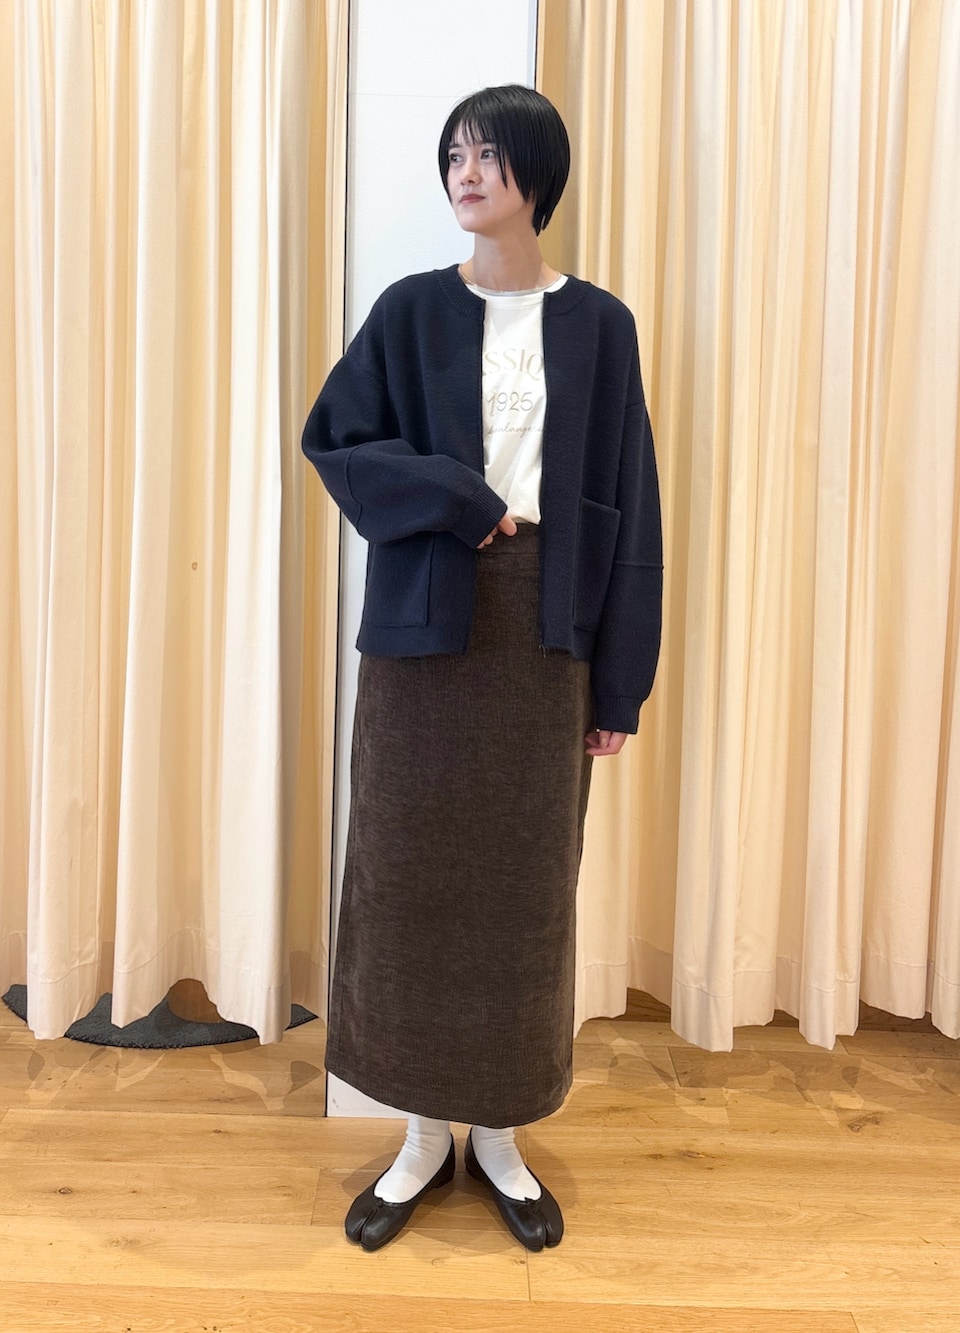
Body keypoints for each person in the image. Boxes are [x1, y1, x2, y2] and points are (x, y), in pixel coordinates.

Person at [302, 84, 662, 1252]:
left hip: (547, 634)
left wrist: (620, 681)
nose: (465, 171)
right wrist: (458, 497)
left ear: (535, 175)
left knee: (523, 893)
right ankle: (418, 1137)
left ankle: (499, 1136)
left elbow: (632, 508)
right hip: (422, 632)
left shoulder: (600, 325)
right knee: (407, 881)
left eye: (488, 154)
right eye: (453, 153)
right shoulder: (409, 311)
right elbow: (336, 442)